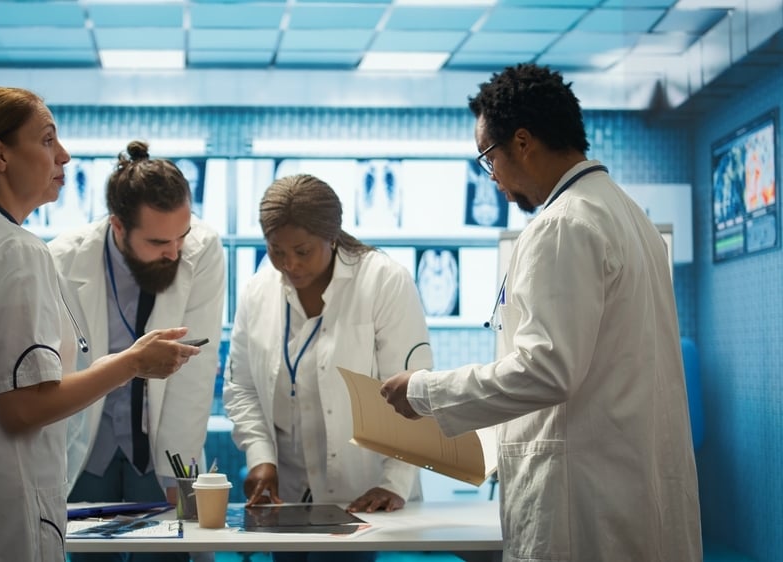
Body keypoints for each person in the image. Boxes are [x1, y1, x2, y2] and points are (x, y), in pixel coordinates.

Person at [381, 63, 702, 562]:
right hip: (627, 490)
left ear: (523, 142)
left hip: (584, 506)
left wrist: (423, 390)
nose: (494, 181)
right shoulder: (628, 216)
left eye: (489, 159)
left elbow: (547, 371)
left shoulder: (563, 225)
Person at [0, 87, 201, 562]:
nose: (63, 154)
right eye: (46, 140)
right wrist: (132, 363)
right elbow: (23, 408)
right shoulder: (16, 250)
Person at [223, 174, 433, 562]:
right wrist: (260, 457)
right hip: (286, 492)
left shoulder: (383, 281)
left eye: (302, 251)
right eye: (276, 251)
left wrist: (395, 482)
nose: (290, 264)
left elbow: (411, 392)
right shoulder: (257, 290)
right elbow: (242, 388)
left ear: (331, 236)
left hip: (364, 494)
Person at [49, 140, 225, 562]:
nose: (175, 251)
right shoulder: (62, 259)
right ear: (118, 227)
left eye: (182, 234)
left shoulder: (202, 250)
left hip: (162, 445)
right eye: (159, 241)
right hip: (88, 445)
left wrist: (176, 472)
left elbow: (195, 370)